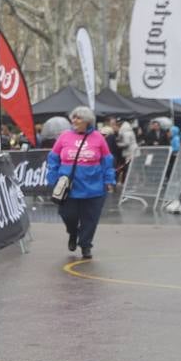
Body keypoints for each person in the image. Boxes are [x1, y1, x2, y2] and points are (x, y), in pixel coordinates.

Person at [46, 106, 116, 260]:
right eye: (74, 117)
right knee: (67, 215)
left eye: (78, 118)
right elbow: (53, 158)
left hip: (94, 187)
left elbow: (107, 161)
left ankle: (85, 245)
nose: (74, 120)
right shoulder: (64, 136)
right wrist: (53, 177)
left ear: (87, 121)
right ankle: (73, 232)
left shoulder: (98, 138)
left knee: (90, 218)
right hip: (69, 186)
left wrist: (109, 180)